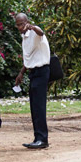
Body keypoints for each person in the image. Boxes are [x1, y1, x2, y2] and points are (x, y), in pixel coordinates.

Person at [14, 13, 51, 150]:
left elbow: (41, 32)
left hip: (41, 71)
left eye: (22, 24)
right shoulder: (24, 37)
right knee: (34, 106)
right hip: (33, 72)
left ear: (27, 22)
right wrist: (21, 73)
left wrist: (33, 27)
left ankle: (42, 139)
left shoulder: (34, 33)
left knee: (39, 106)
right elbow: (29, 57)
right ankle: (38, 138)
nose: (20, 27)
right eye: (17, 24)